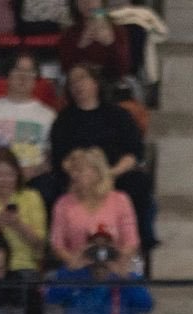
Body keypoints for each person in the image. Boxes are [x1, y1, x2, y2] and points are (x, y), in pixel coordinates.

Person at [47, 63, 155, 255]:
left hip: (114, 173)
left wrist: (108, 174)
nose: (77, 85)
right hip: (78, 177)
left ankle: (139, 242)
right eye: (72, 82)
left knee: (140, 182)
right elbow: (60, 158)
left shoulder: (118, 115)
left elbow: (134, 153)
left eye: (82, 78)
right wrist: (82, 175)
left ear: (96, 83)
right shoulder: (64, 120)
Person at [0, 52, 57, 184]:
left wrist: (29, 173)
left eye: (30, 72)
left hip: (32, 178)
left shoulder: (48, 116)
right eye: (18, 70)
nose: (23, 77)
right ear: (8, 76)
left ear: (36, 78)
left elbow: (49, 157)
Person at [50, 148, 139, 268]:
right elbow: (57, 245)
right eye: (73, 171)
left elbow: (131, 241)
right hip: (77, 270)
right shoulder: (63, 203)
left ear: (98, 172)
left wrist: (116, 261)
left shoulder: (120, 200)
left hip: (114, 267)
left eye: (80, 170)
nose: (74, 175)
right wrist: (74, 262)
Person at [60, 0, 134, 81]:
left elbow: (124, 69)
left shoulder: (117, 31)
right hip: (81, 85)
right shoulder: (69, 33)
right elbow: (66, 69)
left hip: (110, 84)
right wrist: (81, 45)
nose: (87, 3)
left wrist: (111, 44)